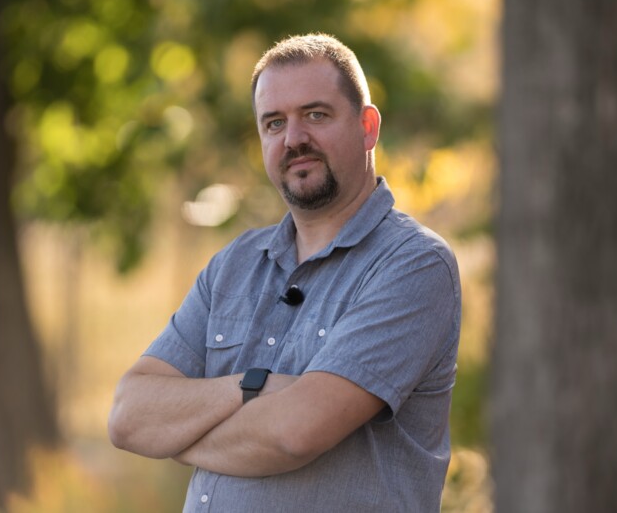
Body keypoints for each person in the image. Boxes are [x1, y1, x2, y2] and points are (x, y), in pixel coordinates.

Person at [108, 33, 461, 512]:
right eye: (274, 123)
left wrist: (177, 434)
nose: (294, 139)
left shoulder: (411, 265)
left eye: (315, 115)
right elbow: (129, 416)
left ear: (368, 127)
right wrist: (251, 385)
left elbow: (294, 434)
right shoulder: (233, 265)